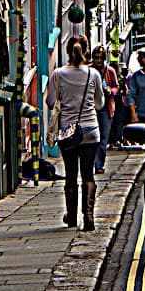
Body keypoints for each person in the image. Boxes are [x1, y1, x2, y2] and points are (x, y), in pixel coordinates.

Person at [46, 37, 104, 229]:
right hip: (90, 130)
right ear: (86, 51)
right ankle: (88, 217)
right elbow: (100, 104)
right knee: (88, 175)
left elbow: (50, 102)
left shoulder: (58, 74)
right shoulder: (93, 74)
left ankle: (71, 217)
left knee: (71, 175)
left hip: (67, 132)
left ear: (68, 50)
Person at [90, 44, 120, 172]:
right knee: (91, 136)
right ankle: (91, 163)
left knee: (103, 136)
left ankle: (99, 165)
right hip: (91, 107)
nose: (98, 60)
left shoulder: (110, 71)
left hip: (106, 107)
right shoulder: (89, 70)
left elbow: (116, 86)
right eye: (96, 58)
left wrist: (110, 91)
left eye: (100, 58)